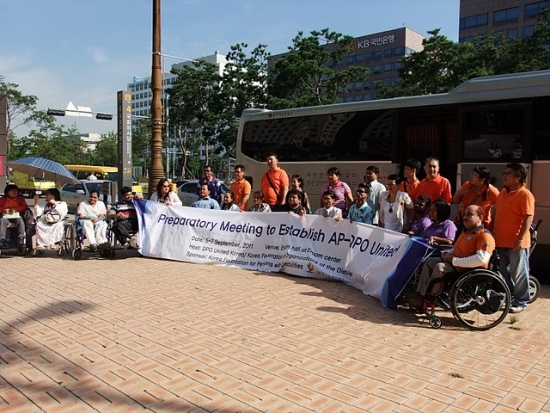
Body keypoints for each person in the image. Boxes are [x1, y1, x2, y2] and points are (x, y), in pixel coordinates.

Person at [416, 205, 495, 298]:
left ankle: (431, 297)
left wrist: (455, 261)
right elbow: (456, 249)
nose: (465, 217)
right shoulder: (466, 233)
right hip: (456, 264)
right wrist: (445, 254)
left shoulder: (484, 235)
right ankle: (420, 293)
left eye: (469, 215)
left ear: (480, 218)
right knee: (429, 261)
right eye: (464, 214)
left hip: (467, 270)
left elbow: (481, 259)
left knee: (440, 267)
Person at [492, 163, 535, 314]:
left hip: (517, 243)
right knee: (504, 273)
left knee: (519, 273)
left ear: (518, 177)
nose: (504, 175)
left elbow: (528, 218)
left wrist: (520, 239)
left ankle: (521, 301)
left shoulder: (525, 194)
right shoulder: (502, 193)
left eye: (508, 173)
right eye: (504, 173)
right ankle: (510, 297)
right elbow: (496, 214)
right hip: (501, 241)